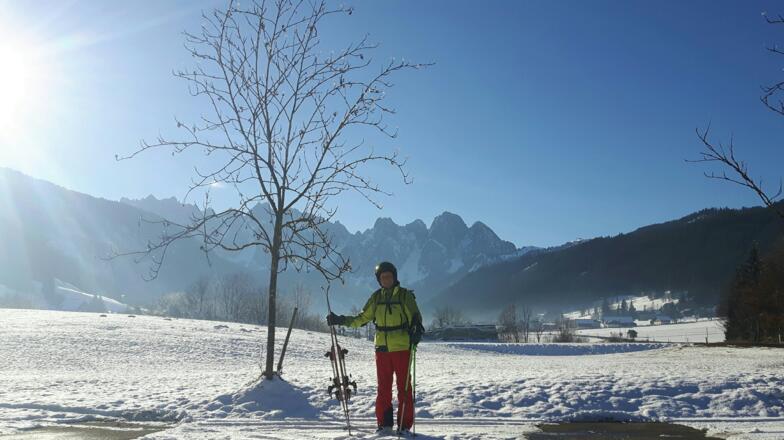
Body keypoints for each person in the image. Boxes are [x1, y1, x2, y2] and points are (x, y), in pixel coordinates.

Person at [327, 261, 425, 434]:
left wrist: (416, 331)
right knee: (383, 388)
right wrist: (340, 320)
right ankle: (384, 424)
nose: (386, 279)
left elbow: (416, 318)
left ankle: (404, 425)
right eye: (383, 277)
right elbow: (362, 318)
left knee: (404, 388)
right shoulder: (376, 298)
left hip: (402, 348)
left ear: (395, 277)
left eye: (389, 276)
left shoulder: (404, 296)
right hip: (381, 349)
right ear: (379, 280)